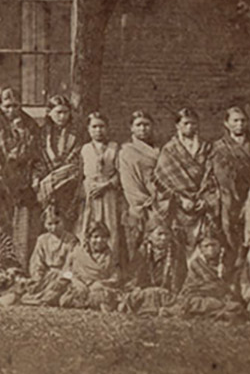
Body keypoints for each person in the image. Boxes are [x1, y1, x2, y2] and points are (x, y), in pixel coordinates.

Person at [154, 107, 220, 258]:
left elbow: (212, 175)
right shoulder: (169, 150)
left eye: (193, 123)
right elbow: (162, 180)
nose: (190, 127)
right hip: (179, 207)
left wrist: (206, 200)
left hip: (201, 205)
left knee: (203, 242)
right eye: (186, 123)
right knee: (180, 244)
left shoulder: (206, 147)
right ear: (177, 126)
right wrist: (181, 199)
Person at [0, 87, 41, 265]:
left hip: (22, 181)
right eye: (7, 106)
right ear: (0, 105)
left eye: (15, 106)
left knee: (22, 226)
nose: (11, 110)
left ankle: (20, 264)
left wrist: (22, 134)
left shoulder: (30, 125)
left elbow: (34, 153)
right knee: (0, 222)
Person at [211, 107, 250, 270]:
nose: (240, 124)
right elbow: (216, 174)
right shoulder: (218, 147)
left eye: (243, 121)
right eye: (235, 121)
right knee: (230, 237)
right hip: (229, 199)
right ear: (226, 123)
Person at [33, 95, 83, 231]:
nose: (62, 117)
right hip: (47, 183)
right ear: (49, 113)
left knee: (67, 222)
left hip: (69, 183)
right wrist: (39, 177)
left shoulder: (77, 133)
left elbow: (77, 158)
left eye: (65, 112)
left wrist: (61, 173)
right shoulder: (42, 133)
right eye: (58, 112)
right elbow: (37, 158)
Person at [173, 226, 244, 320]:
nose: (210, 249)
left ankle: (216, 312)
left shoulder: (227, 262)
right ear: (201, 249)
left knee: (234, 305)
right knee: (197, 303)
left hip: (220, 296)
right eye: (206, 246)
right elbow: (193, 287)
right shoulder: (196, 263)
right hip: (199, 296)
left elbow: (230, 284)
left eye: (213, 245)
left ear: (220, 246)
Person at [122, 214, 186, 315]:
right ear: (149, 236)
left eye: (166, 234)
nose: (163, 238)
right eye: (159, 234)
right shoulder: (142, 253)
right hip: (146, 292)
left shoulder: (177, 253)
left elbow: (180, 280)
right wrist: (137, 288)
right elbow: (132, 278)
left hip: (168, 294)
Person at [118, 110, 159, 268]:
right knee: (135, 242)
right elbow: (127, 181)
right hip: (135, 204)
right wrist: (142, 201)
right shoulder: (126, 152)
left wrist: (157, 199)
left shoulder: (158, 150)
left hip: (158, 202)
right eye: (139, 125)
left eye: (146, 125)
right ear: (131, 128)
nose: (143, 129)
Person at [78, 112, 122, 261]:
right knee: (88, 225)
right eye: (94, 127)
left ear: (107, 128)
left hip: (108, 193)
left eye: (102, 127)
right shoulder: (84, 149)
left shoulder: (114, 148)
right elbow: (80, 173)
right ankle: (89, 263)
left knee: (110, 226)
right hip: (90, 192)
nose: (98, 130)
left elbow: (119, 173)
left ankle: (110, 263)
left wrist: (106, 185)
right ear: (88, 129)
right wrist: (87, 189)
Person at [20, 203, 78, 307]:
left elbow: (72, 264)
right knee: (28, 294)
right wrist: (38, 278)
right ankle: (41, 297)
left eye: (57, 223)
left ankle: (49, 299)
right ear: (44, 225)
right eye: (49, 224)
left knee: (57, 294)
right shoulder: (42, 240)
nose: (54, 227)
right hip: (48, 277)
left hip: (64, 278)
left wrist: (63, 279)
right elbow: (37, 262)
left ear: (63, 221)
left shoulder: (71, 240)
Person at [59, 220, 121, 311]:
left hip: (99, 289)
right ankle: (89, 303)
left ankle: (89, 303)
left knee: (103, 296)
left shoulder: (110, 256)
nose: (99, 240)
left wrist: (100, 283)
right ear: (88, 238)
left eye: (103, 237)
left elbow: (116, 276)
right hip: (80, 288)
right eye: (95, 237)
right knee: (65, 300)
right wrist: (76, 281)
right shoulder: (77, 252)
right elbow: (65, 272)